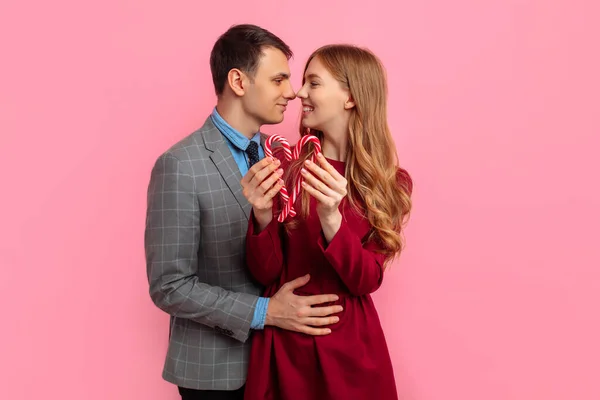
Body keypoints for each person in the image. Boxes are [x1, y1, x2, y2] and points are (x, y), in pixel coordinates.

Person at [144, 25, 342, 400]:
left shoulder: (284, 155)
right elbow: (169, 286)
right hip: (216, 375)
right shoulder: (179, 165)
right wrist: (265, 311)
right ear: (238, 80)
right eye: (279, 79)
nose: (291, 92)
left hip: (285, 363)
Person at [240, 44, 413, 400]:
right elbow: (265, 273)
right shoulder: (285, 169)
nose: (298, 92)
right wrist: (260, 216)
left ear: (350, 97)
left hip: (350, 349)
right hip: (285, 350)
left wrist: (332, 217)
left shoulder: (389, 183)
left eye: (313, 83)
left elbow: (365, 279)